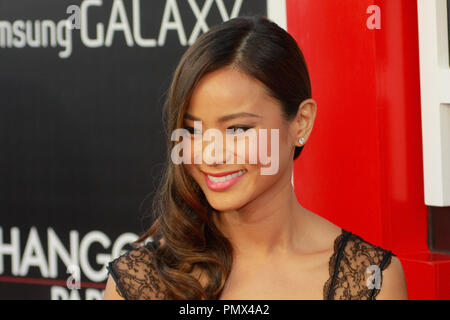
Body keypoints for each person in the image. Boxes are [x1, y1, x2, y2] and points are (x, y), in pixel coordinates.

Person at [103, 15, 408, 300]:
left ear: (301, 121)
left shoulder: (369, 281)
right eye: (193, 130)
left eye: (237, 129)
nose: (211, 154)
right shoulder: (140, 281)